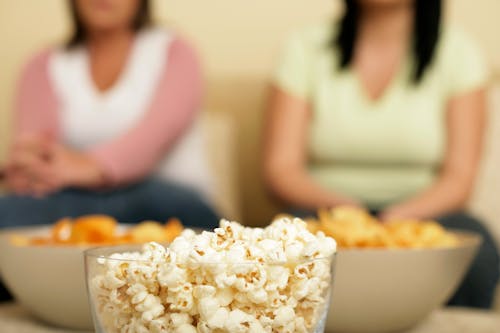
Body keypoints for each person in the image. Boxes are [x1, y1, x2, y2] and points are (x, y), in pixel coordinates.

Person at [264, 0, 499, 308]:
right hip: (325, 210)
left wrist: (395, 221)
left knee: (476, 253)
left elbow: (459, 178)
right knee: (276, 247)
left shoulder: (459, 52)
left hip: (427, 213)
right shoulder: (303, 48)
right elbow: (281, 169)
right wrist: (347, 213)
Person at [0, 0, 219, 229]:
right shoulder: (43, 64)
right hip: (75, 196)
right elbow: (35, 151)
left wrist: (89, 167)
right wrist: (29, 168)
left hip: (163, 196)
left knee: (169, 202)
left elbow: (153, 138)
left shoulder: (175, 51)